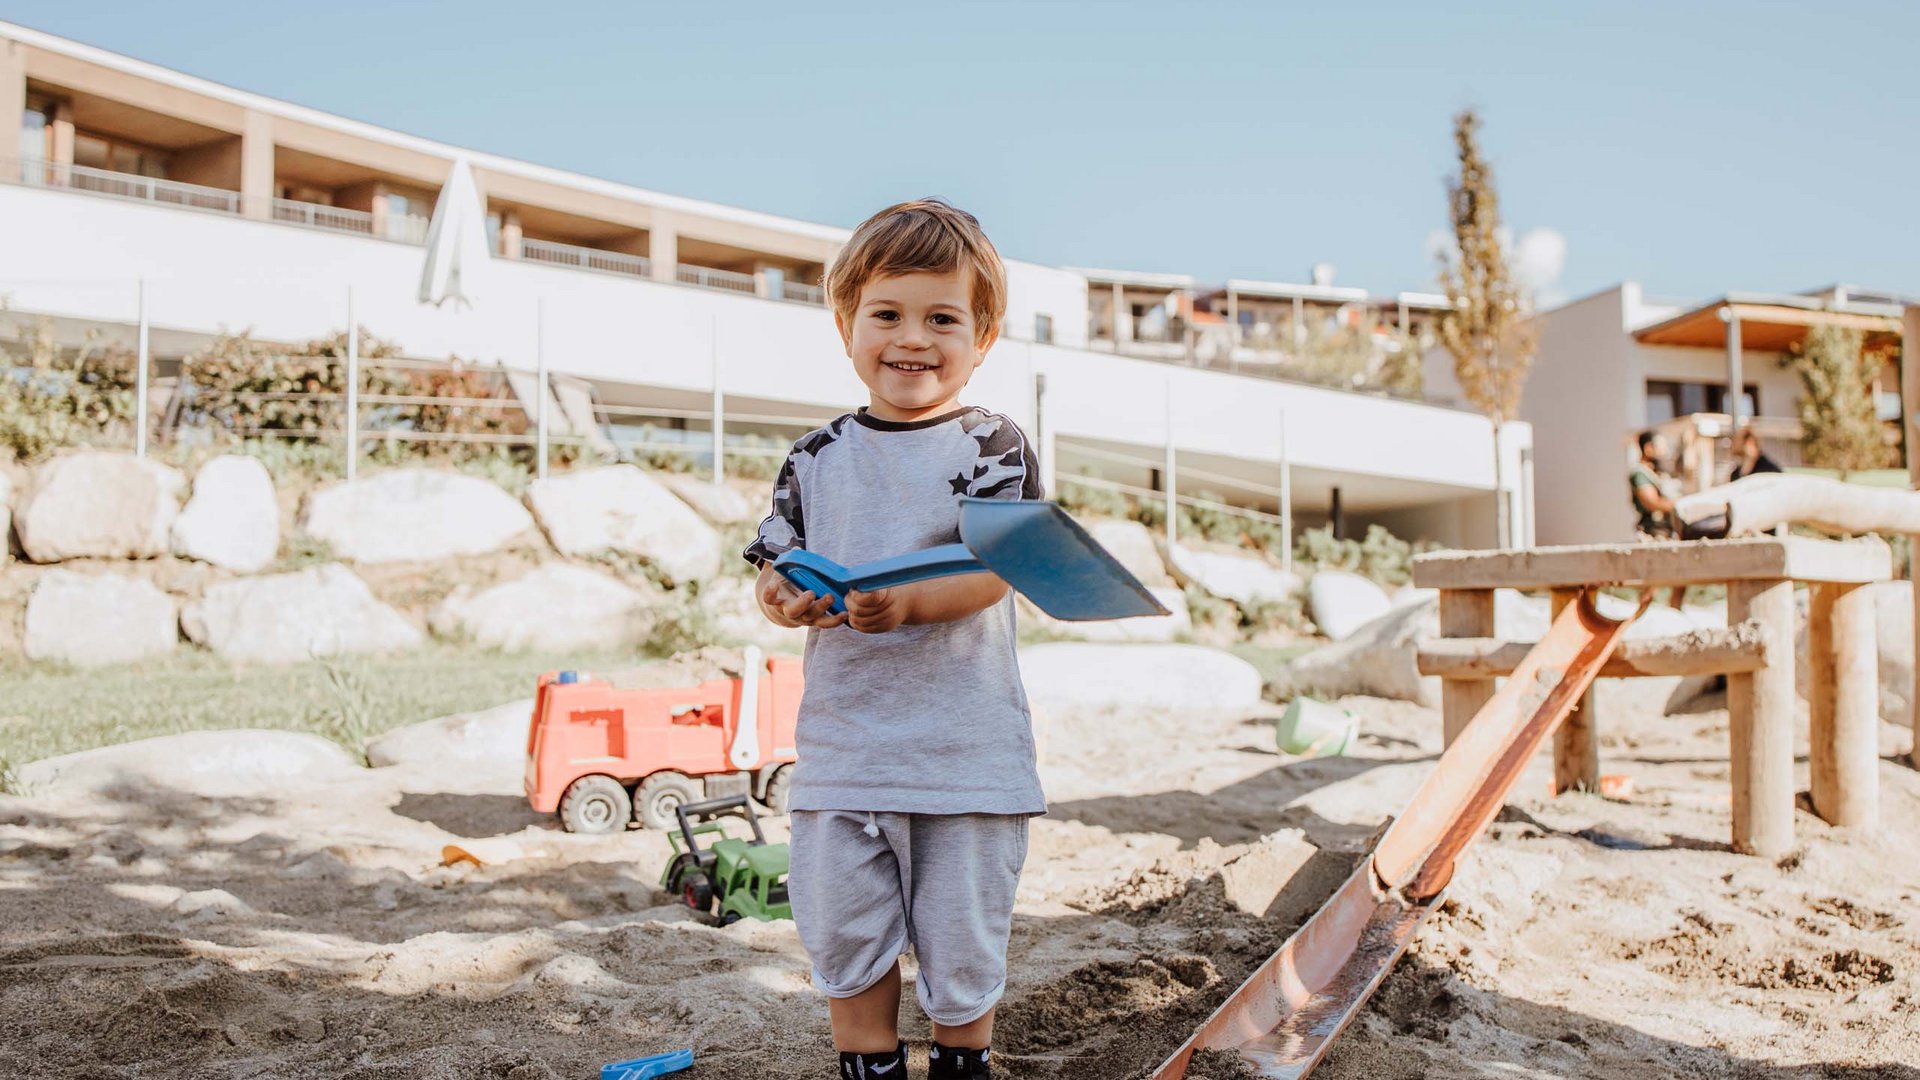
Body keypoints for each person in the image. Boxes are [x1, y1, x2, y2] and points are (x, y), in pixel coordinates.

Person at [744, 199, 1043, 1080]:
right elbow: (775, 567)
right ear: (847, 326)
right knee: (844, 925)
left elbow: (1000, 566)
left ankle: (962, 1063)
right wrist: (786, 596)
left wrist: (907, 605)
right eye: (888, 314)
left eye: (942, 318)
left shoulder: (991, 442)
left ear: (981, 338)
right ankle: (867, 1066)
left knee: (961, 937)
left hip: (963, 749)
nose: (912, 338)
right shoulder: (815, 457)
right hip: (844, 749)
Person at [1630, 431, 1678, 539]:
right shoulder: (1640, 473)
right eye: (1660, 448)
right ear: (1648, 448)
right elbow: (1652, 503)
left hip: (1666, 530)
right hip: (1653, 532)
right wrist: (1680, 504)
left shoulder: (1656, 472)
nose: (1664, 452)